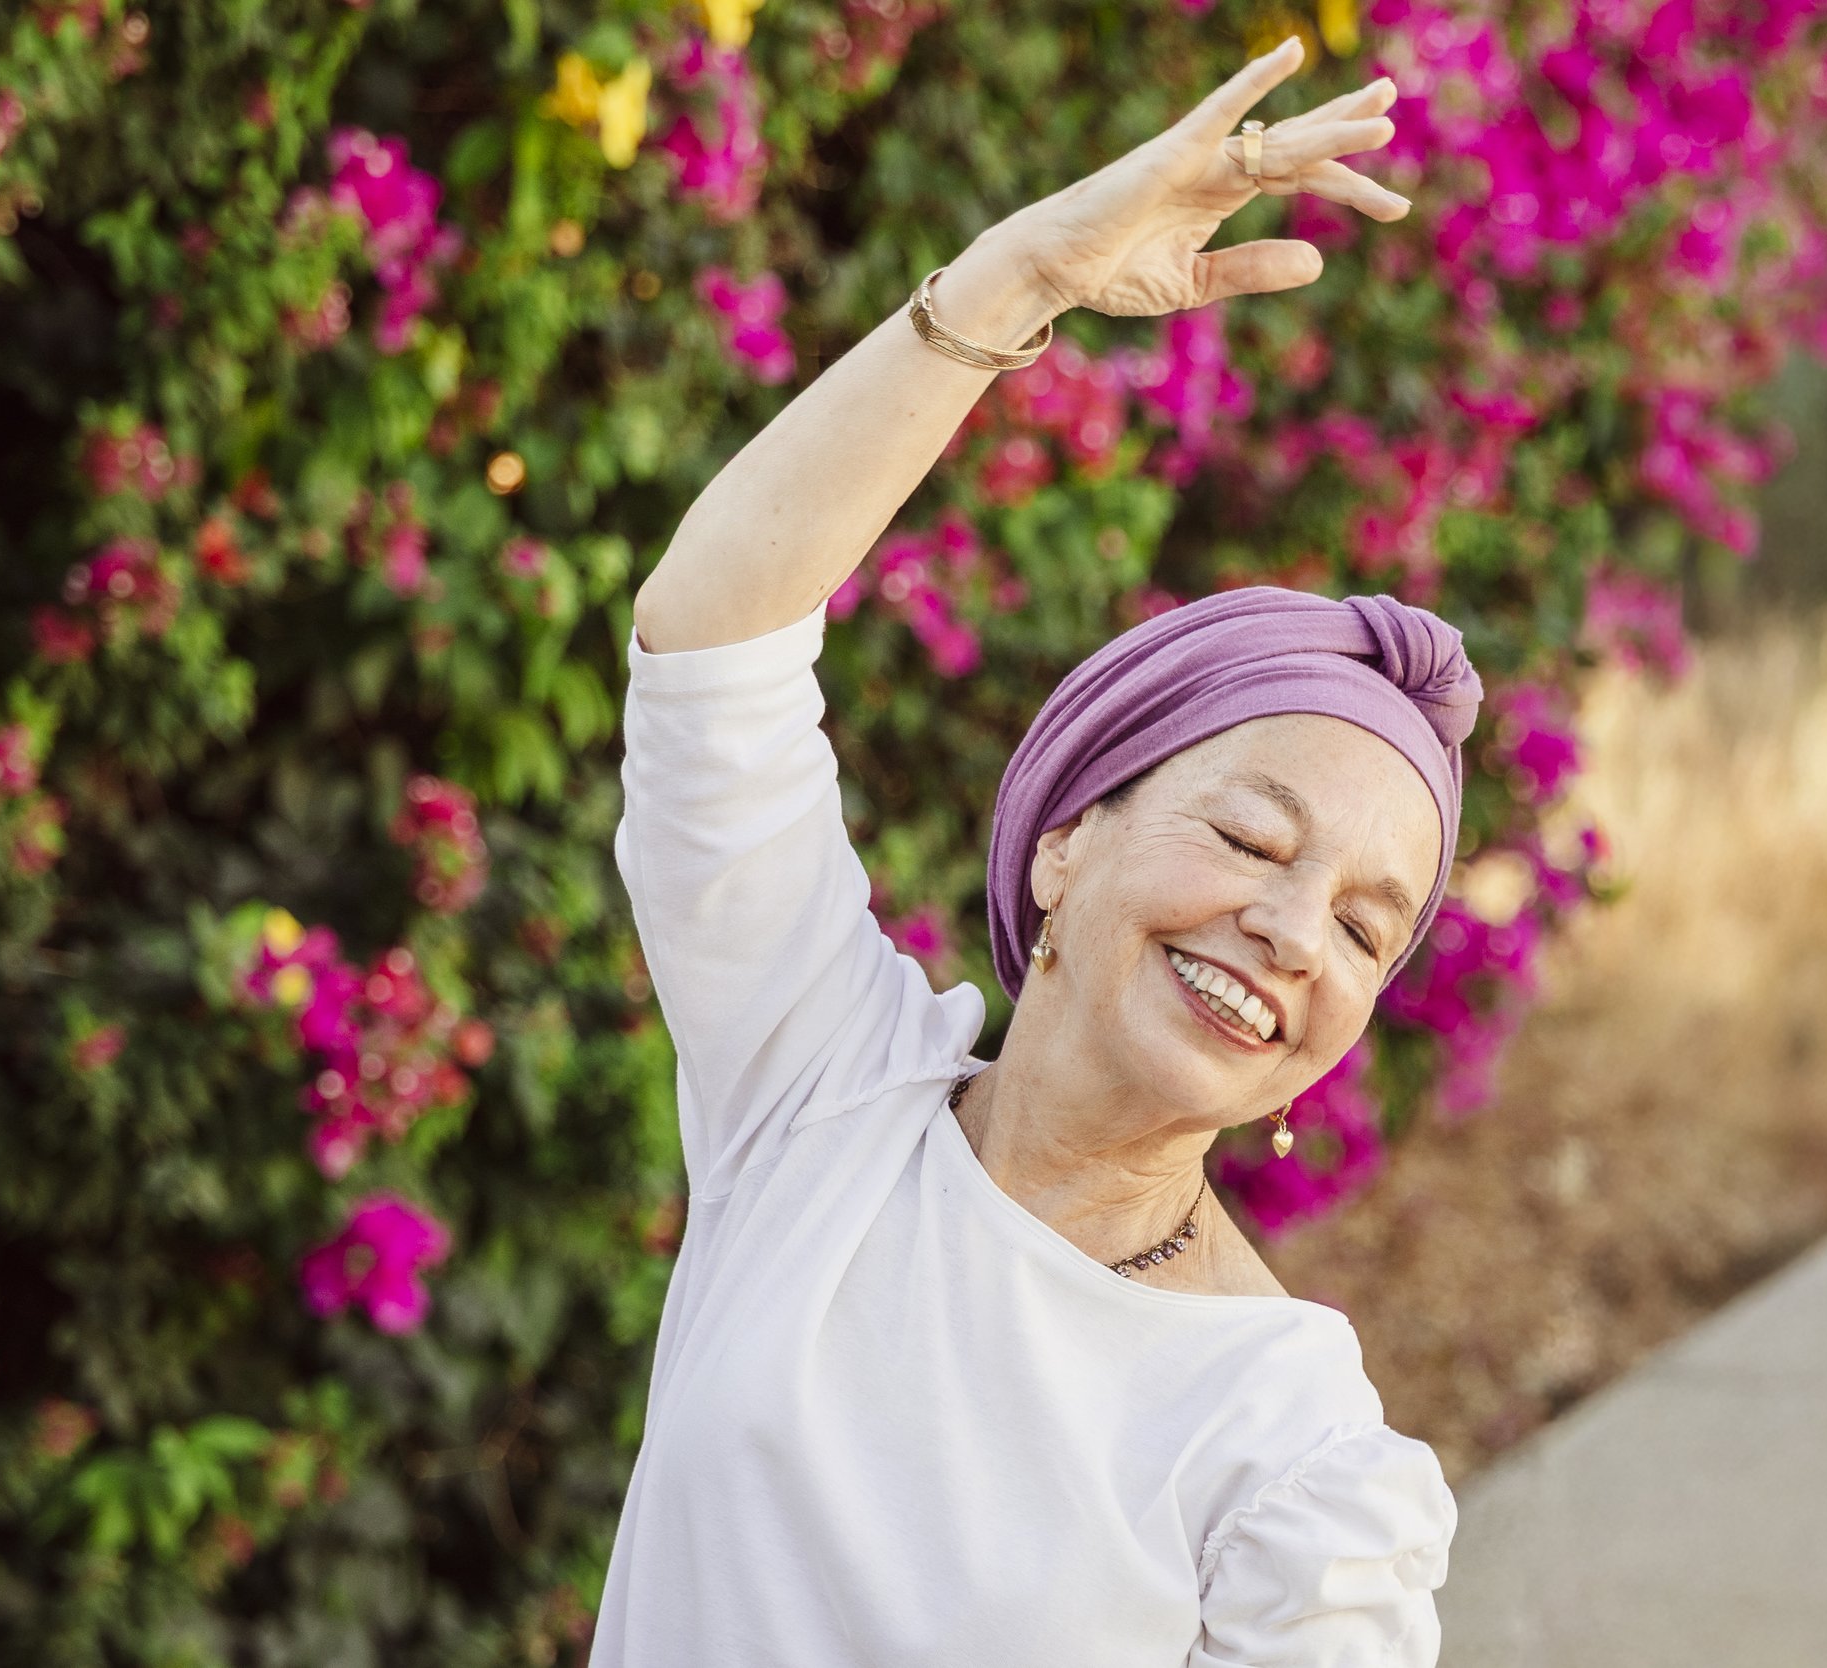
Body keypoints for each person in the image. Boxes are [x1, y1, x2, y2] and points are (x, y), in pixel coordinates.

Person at [594, 35, 1481, 1666]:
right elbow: (711, 646)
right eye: (1252, 837)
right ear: (1066, 844)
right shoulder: (823, 1095)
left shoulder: (1291, 1454)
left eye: (1369, 928)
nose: (1296, 933)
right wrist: (1021, 279)